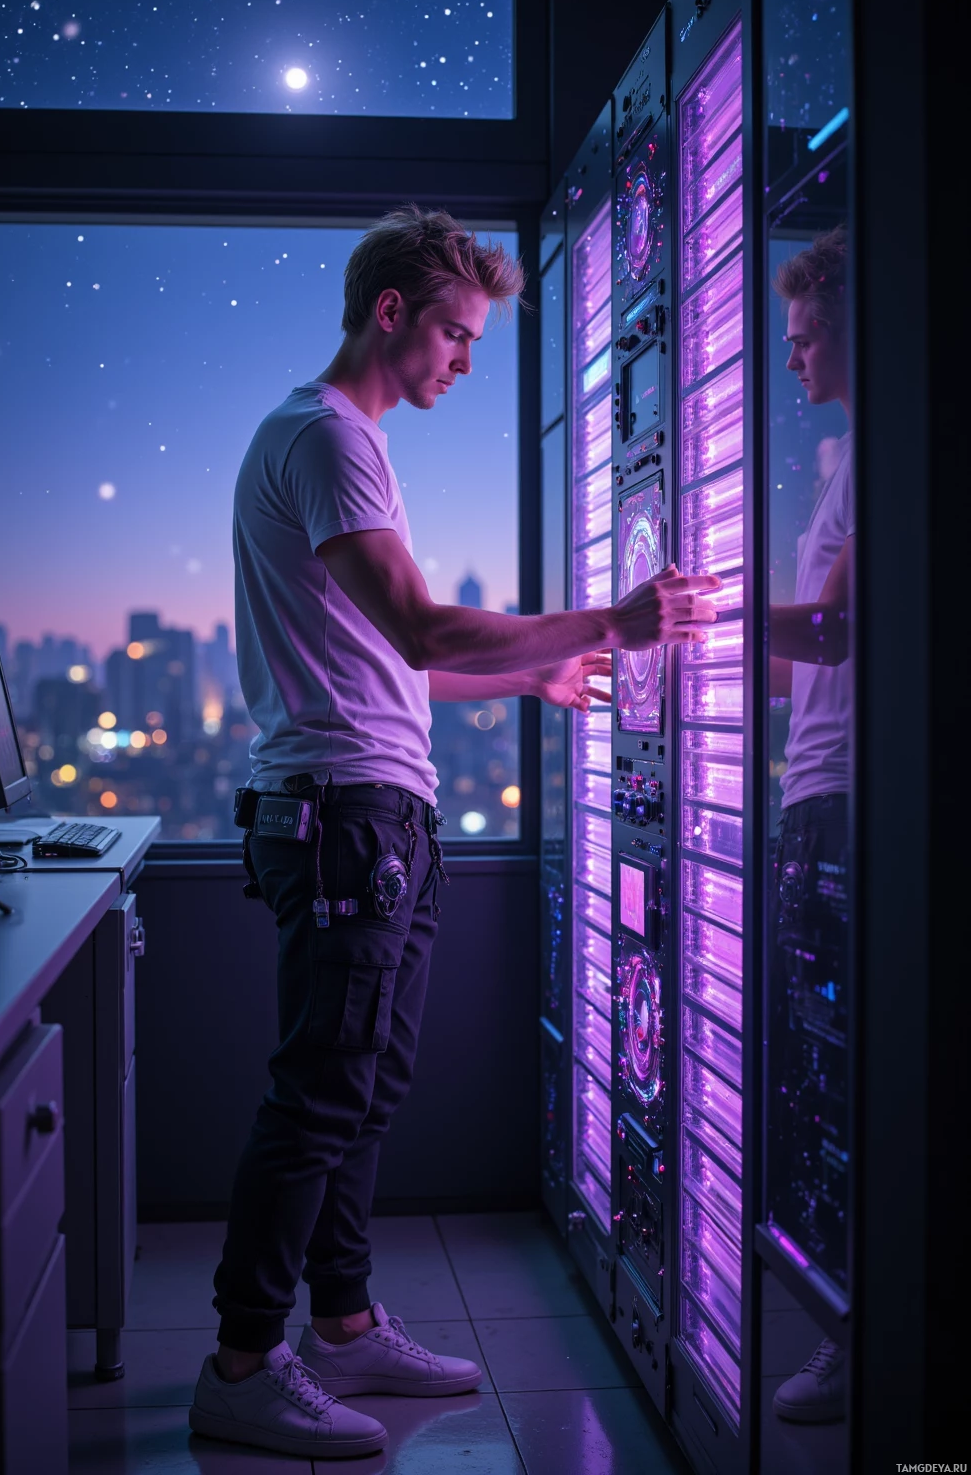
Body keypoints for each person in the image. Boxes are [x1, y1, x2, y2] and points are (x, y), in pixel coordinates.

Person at [188, 206, 720, 1460]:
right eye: (455, 335)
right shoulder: (329, 437)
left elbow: (395, 662)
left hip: (372, 806)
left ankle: (342, 1323)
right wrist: (611, 621)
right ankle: (242, 1363)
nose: (466, 361)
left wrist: (532, 675)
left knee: (363, 1087)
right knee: (323, 1093)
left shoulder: (336, 439)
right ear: (392, 314)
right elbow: (423, 627)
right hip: (346, 811)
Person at [767, 226, 852, 1425]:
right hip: (815, 795)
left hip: (839, 805)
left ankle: (853, 1333)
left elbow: (831, 633)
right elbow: (806, 659)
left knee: (838, 1076)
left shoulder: (876, 461)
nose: (790, 358)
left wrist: (692, 619)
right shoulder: (843, 467)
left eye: (804, 336)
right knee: (820, 1073)